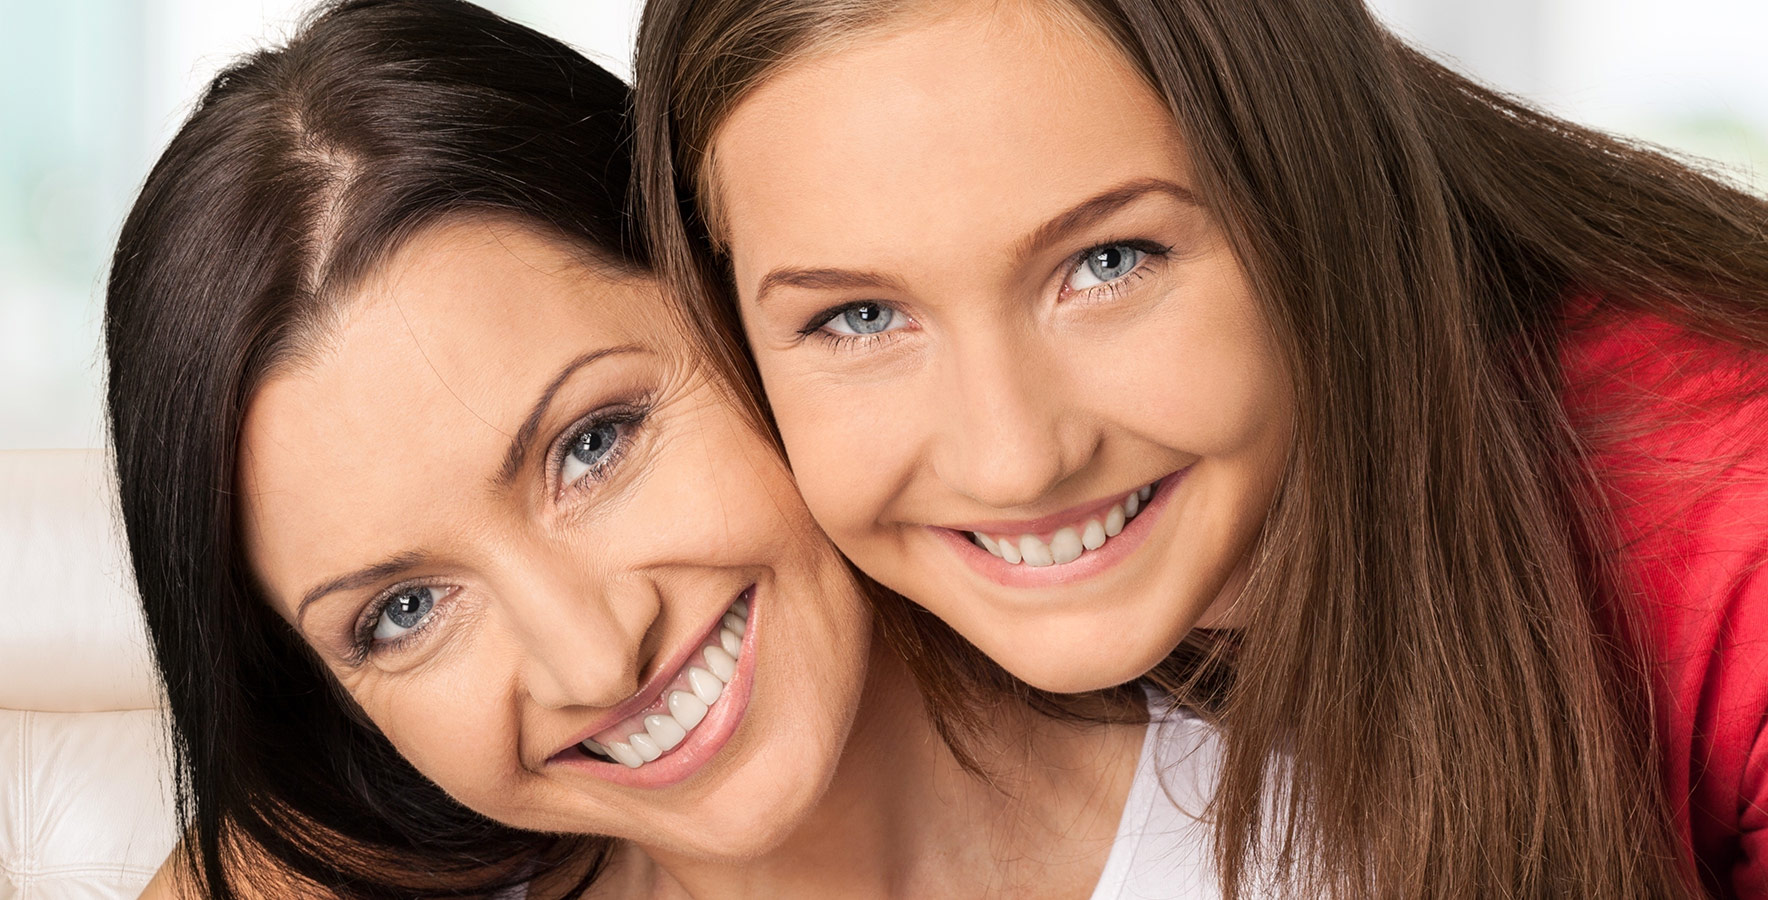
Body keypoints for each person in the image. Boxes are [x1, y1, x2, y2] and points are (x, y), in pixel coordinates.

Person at [631, 0, 1768, 896]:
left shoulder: (1736, 517)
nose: (1014, 459)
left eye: (1110, 261)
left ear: (1306, 191)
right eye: (860, 320)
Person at [107, 2, 1160, 898]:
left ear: (731, 293)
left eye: (593, 444)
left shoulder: (1287, 821)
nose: (596, 660)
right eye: (403, 612)